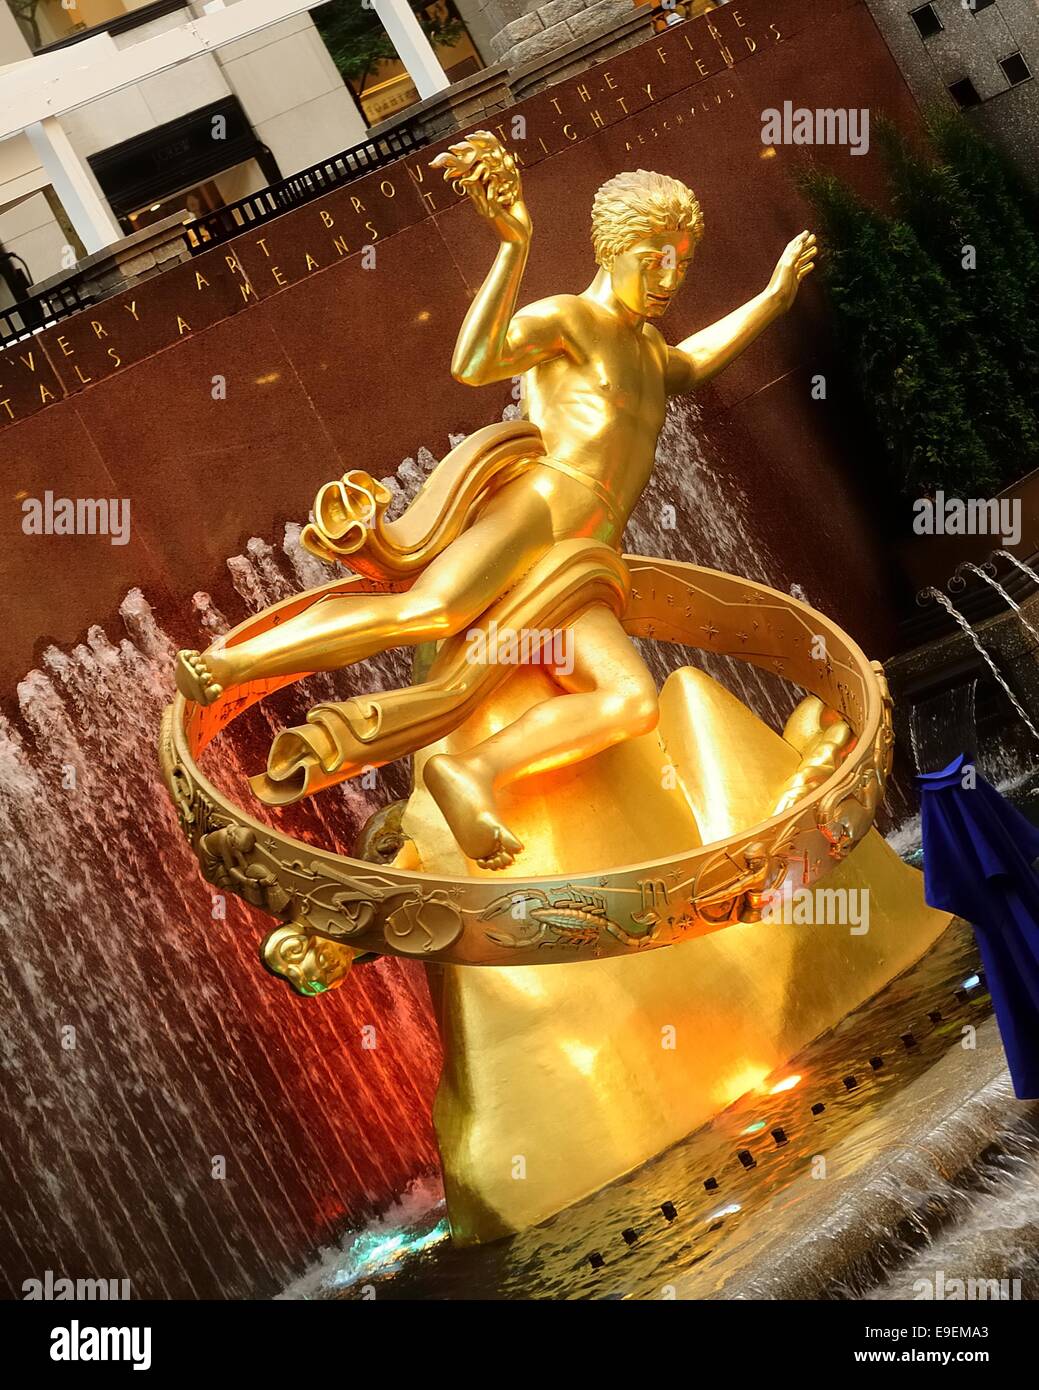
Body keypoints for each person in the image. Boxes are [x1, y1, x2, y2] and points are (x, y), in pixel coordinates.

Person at [176, 131, 816, 868]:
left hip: (581, 559)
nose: (669, 277)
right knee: (431, 611)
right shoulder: (573, 320)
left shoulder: (646, 353)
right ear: (611, 251)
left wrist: (770, 300)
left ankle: (471, 773)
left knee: (631, 702)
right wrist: (513, 245)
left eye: (681, 261)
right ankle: (227, 666)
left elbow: (692, 364)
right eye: (654, 259)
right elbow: (475, 361)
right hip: (542, 507)